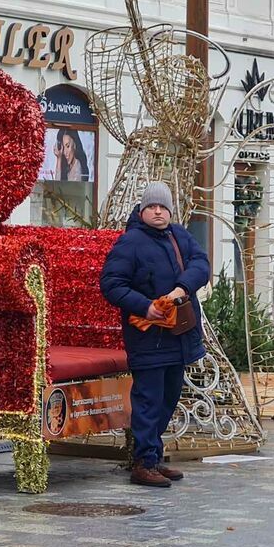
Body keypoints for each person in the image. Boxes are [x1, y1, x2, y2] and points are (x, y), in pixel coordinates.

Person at [100, 182, 211, 488]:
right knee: (148, 399)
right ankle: (143, 462)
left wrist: (182, 287)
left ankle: (153, 456)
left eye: (163, 207)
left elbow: (202, 264)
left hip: (178, 335)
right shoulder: (130, 242)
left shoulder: (179, 236)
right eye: (152, 207)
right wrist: (145, 306)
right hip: (148, 337)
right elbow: (112, 284)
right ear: (142, 210)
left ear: (170, 211)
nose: (158, 211)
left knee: (169, 396)